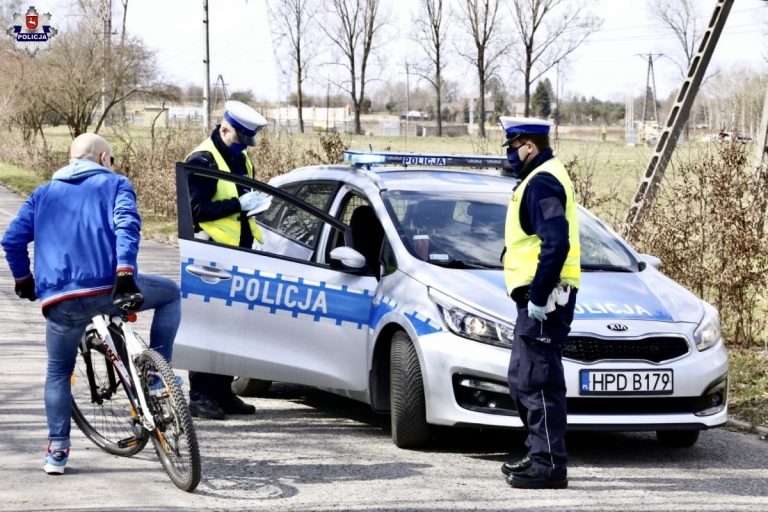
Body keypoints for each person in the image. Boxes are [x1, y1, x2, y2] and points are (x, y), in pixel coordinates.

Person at [2, 133, 182, 475]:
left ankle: (57, 451)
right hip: (109, 288)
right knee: (171, 293)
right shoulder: (115, 184)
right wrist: (126, 271)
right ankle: (156, 377)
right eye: (110, 160)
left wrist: (24, 280)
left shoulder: (42, 194)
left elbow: (11, 240)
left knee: (58, 371)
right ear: (103, 159)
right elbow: (127, 225)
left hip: (62, 300)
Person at [498, 116, 581, 490]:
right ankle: (538, 453)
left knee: (539, 382)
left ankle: (549, 466)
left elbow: (556, 242)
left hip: (545, 300)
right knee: (521, 379)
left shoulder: (543, 181)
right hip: (535, 301)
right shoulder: (538, 178)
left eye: (513, 148)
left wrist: (539, 294)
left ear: (528, 146)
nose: (511, 156)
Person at [183, 100, 269, 420]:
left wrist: (254, 206)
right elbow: (198, 211)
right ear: (224, 128)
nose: (244, 147)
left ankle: (222, 391)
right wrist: (239, 205)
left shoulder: (241, 158)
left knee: (233, 328)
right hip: (210, 256)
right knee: (209, 326)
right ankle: (201, 395)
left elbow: (241, 201)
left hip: (238, 253)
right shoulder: (202, 159)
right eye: (240, 139)